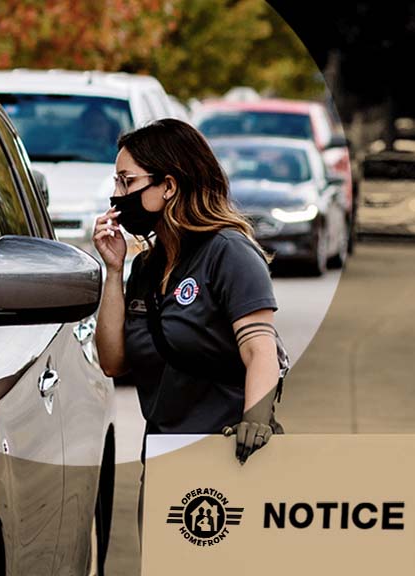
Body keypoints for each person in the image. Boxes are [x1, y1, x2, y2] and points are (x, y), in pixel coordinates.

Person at [92, 118, 283, 542]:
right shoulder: (146, 267)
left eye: (127, 182)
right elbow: (113, 360)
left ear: (169, 186)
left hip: (230, 458)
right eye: (117, 183)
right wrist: (113, 270)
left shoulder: (229, 253)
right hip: (165, 462)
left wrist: (256, 421)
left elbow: (260, 349)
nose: (118, 197)